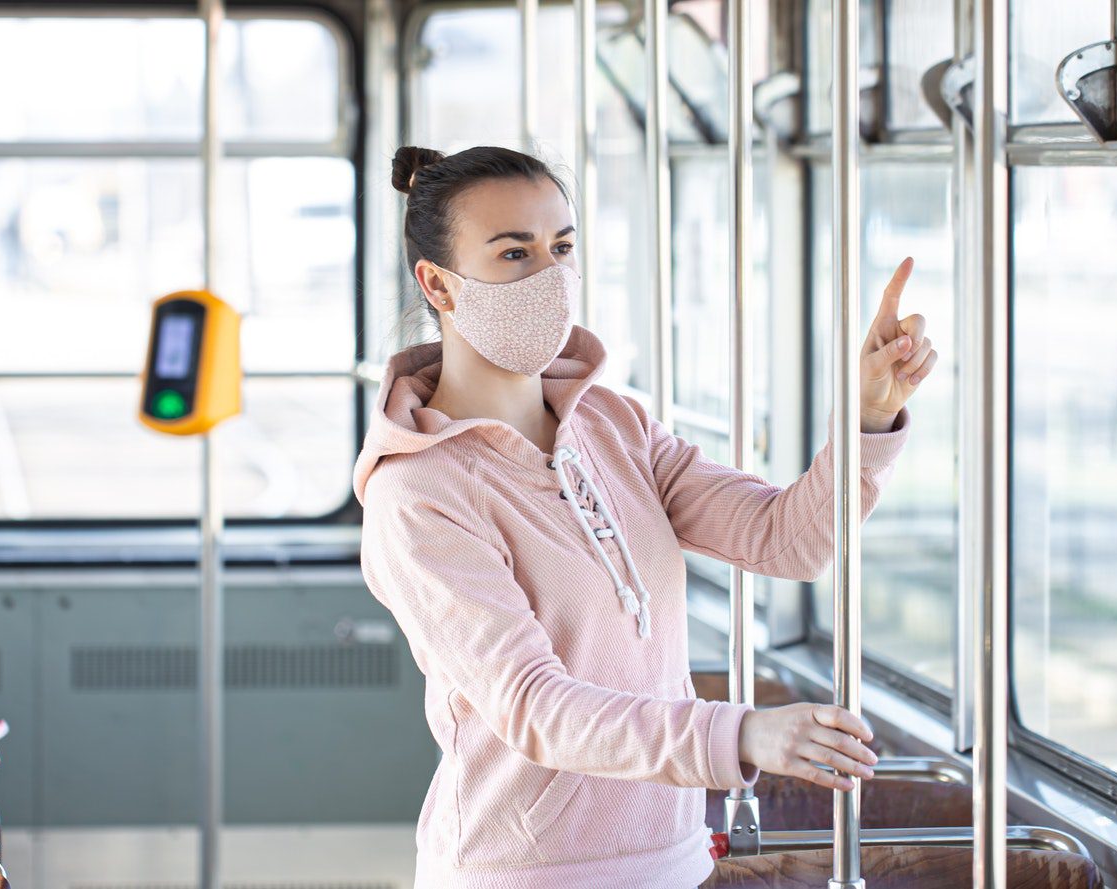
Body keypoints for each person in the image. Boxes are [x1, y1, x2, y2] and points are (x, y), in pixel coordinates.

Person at [352, 145, 937, 888]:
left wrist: (869, 415)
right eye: (514, 253)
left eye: (562, 248)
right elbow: (536, 706)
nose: (550, 277)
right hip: (525, 872)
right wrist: (742, 732)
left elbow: (788, 542)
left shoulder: (614, 426)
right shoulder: (419, 493)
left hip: (673, 856)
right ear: (438, 283)